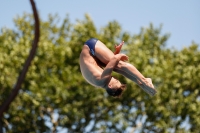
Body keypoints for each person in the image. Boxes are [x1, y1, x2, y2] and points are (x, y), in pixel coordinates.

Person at [79, 38, 156, 97]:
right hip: (93, 55)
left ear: (110, 86)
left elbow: (115, 59)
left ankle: (144, 81)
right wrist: (115, 54)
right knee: (118, 68)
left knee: (120, 66)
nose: (116, 78)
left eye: (116, 81)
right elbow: (110, 62)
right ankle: (140, 83)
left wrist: (118, 56)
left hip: (91, 48)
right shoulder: (100, 82)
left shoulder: (102, 80)